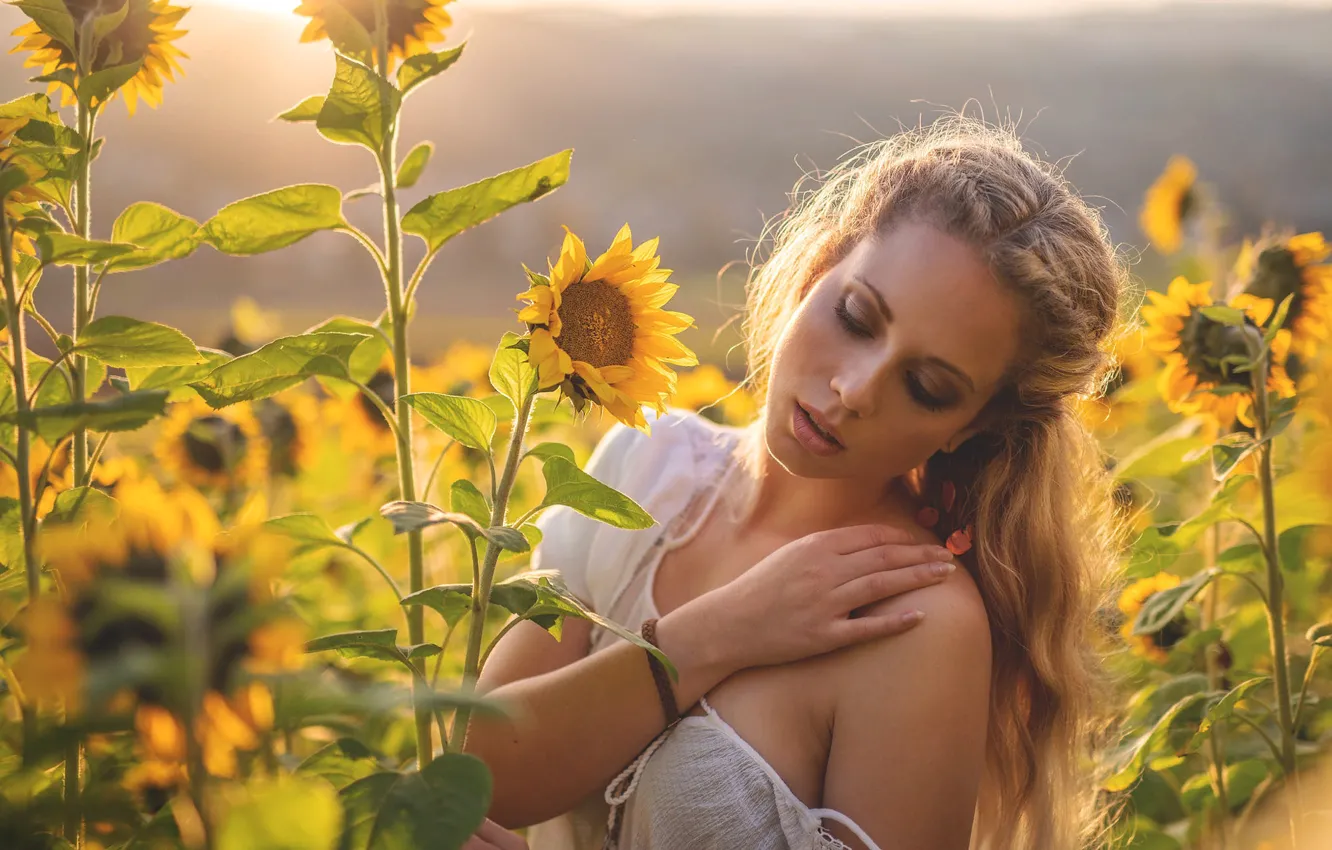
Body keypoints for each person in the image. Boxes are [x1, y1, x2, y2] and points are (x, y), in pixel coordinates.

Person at [464, 116, 1126, 850]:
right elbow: (474, 777)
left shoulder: (916, 622)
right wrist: (719, 631)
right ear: (817, 270)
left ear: (971, 427)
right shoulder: (647, 469)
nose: (854, 389)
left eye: (927, 387)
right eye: (856, 317)